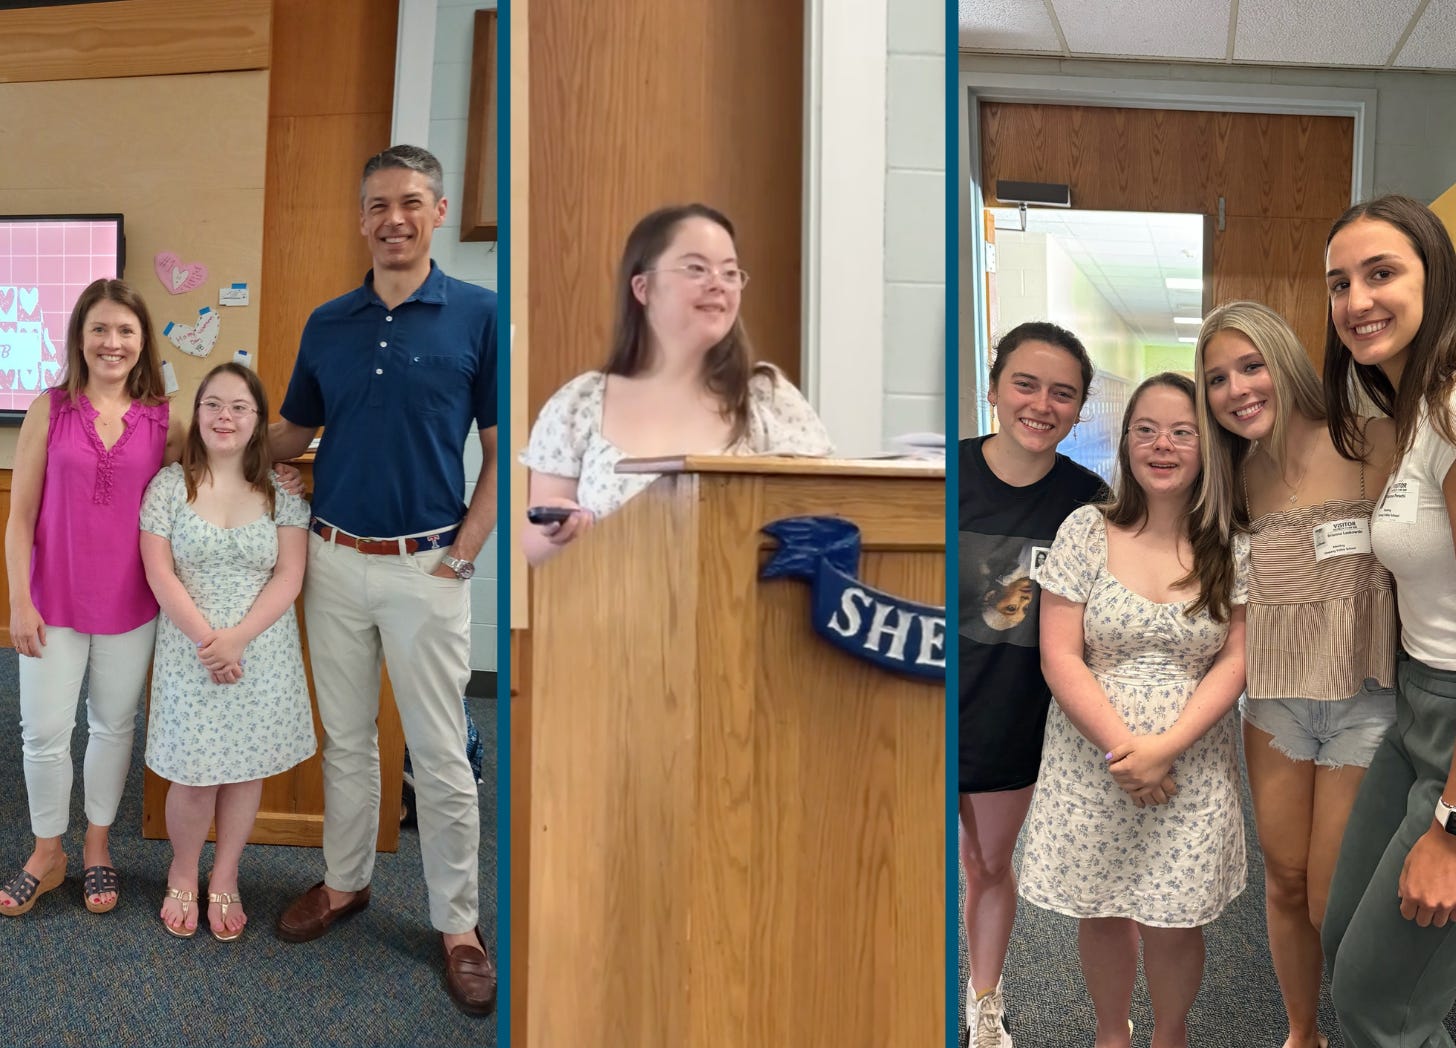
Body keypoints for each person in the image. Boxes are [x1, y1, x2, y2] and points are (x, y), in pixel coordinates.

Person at [266, 144, 497, 1016]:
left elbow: (499, 452)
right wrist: (212, 451)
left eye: (409, 202)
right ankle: (345, 882)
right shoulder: (329, 321)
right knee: (350, 742)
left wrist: (465, 554)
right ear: (360, 218)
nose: (392, 218)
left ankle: (461, 926)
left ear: (438, 211)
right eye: (376, 205)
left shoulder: (480, 314)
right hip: (331, 562)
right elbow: (294, 432)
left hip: (429, 568)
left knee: (440, 756)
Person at [1018, 372, 1248, 1048]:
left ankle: (1170, 1034)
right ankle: (1111, 1032)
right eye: (1145, 430)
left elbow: (1236, 660)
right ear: (1124, 442)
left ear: (1207, 446)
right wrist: (1128, 749)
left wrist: (1166, 748)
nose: (1162, 445)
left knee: (1177, 918)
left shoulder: (1232, 542)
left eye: (1182, 432)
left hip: (1193, 759)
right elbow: (1059, 654)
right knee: (1103, 906)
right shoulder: (1086, 529)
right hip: (1094, 759)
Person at [1193, 300, 1396, 1048]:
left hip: (1364, 700)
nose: (1238, 389)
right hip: (1274, 703)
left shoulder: (1370, 440)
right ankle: (1300, 1032)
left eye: (1251, 366)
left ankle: (1370, 1026)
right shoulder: (1230, 480)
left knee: (1329, 899)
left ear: (1284, 360)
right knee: (1283, 883)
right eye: (1217, 378)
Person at [1320, 195, 1456, 1048]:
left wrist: (1451, 827)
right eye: (1339, 284)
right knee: (1348, 949)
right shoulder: (1412, 411)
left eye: (1381, 274)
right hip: (1417, 710)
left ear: (1435, 280)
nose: (1355, 302)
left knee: (1378, 1003)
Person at [2, 278, 180, 917]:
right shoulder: (49, 408)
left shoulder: (166, 418)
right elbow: (19, 518)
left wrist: (279, 469)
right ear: (80, 336)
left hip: (132, 603)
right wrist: (19, 602)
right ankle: (47, 849)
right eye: (100, 329)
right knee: (45, 731)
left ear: (142, 341)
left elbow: (212, 477)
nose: (113, 342)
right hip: (52, 601)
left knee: (112, 727)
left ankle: (97, 845)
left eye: (126, 331)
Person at [520, 203, 832, 563]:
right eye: (696, 269)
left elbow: (827, 518)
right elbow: (533, 547)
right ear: (643, 288)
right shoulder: (580, 402)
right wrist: (558, 530)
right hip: (605, 611)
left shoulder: (765, 396)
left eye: (730, 273)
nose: (718, 284)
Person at [959, 321, 1105, 1048]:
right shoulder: (942, 474)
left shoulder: (1090, 503)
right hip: (919, 696)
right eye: (1025, 383)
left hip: (1010, 717)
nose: (1041, 404)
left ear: (1079, 410)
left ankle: (985, 997)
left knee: (986, 865)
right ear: (993, 389)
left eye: (1062, 393)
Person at [140, 362, 314, 940]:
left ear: (259, 420)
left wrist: (237, 640)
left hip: (260, 649)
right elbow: (159, 572)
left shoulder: (281, 489)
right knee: (192, 776)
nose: (225, 417)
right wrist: (207, 643)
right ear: (199, 414)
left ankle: (227, 875)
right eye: (213, 404)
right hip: (189, 649)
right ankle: (183, 870)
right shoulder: (169, 484)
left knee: (243, 771)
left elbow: (290, 575)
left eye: (240, 407)